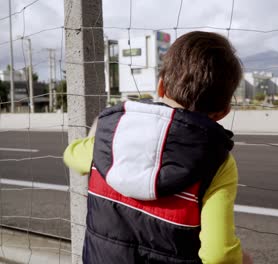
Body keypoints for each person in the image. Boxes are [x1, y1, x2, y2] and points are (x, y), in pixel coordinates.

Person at [64, 31, 253, 264]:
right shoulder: (218, 162)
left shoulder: (111, 139)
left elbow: (71, 155)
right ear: (224, 112)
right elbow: (219, 256)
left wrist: (101, 127)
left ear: (161, 87)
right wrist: (242, 259)